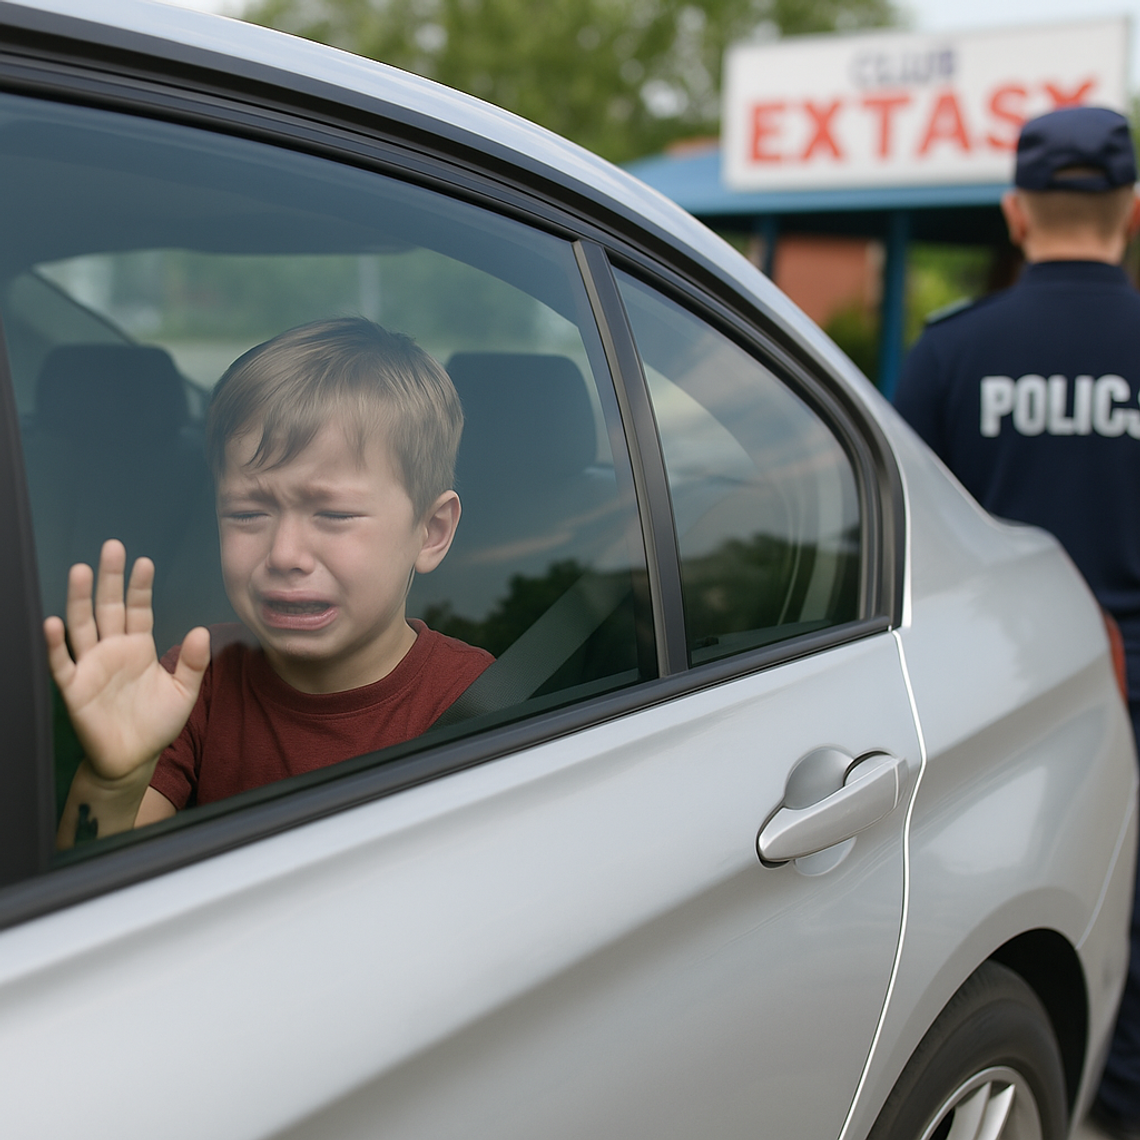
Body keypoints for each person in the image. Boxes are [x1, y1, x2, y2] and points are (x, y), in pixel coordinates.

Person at [893, 105, 1140, 1139]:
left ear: (1015, 213)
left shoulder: (954, 351)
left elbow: (903, 528)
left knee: (1014, 900)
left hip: (999, 684)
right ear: (1132, 211)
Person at [46, 317, 492, 850]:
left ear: (431, 532)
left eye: (334, 515)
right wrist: (113, 782)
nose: (284, 554)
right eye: (247, 514)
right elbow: (102, 875)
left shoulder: (478, 701)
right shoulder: (196, 682)